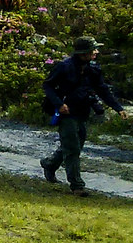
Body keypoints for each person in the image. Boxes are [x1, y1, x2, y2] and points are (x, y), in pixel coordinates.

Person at [41, 36, 123, 195]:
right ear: (83, 53)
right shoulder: (64, 67)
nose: (96, 52)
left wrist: (118, 108)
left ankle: (50, 164)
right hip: (66, 112)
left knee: (75, 145)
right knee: (72, 147)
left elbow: (102, 89)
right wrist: (59, 104)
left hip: (82, 112)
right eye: (93, 50)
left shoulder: (93, 68)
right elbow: (48, 85)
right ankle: (77, 186)